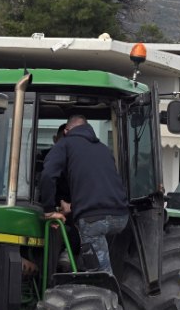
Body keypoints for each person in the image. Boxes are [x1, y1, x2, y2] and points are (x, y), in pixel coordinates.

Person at [39, 114, 129, 274]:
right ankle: (75, 264)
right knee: (87, 252)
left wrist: (49, 210)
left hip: (94, 219)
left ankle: (108, 295)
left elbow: (47, 176)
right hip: (120, 217)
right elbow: (99, 185)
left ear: (66, 131)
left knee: (100, 274)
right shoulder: (103, 149)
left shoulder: (65, 144)